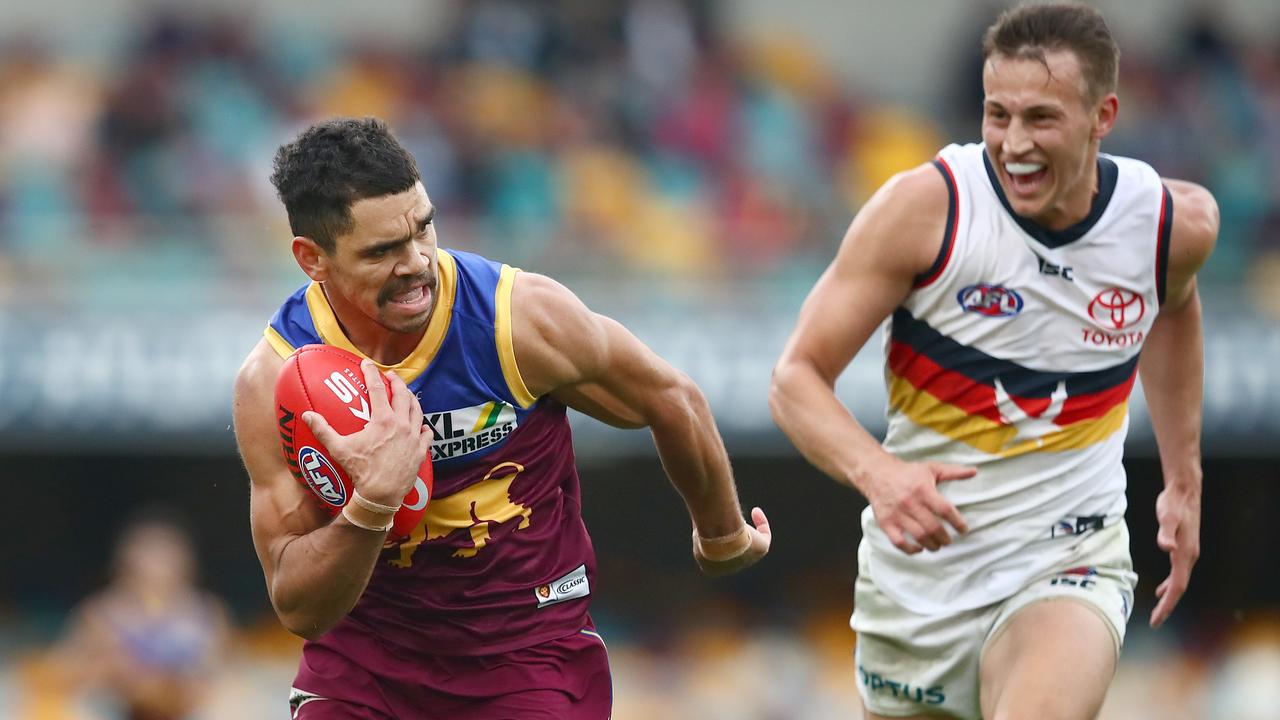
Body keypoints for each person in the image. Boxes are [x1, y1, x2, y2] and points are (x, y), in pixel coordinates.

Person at [232, 116, 771, 719]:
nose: (416, 263)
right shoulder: (274, 381)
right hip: (363, 672)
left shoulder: (515, 320)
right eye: (382, 251)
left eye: (423, 228)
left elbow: (672, 398)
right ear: (312, 259)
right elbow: (298, 607)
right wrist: (374, 502)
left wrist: (723, 536)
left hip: (527, 659)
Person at [769, 4, 1215, 720]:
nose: (1013, 144)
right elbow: (794, 378)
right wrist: (879, 473)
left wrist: (1182, 477)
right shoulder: (926, 210)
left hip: (1069, 558)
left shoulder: (1171, 225)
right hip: (919, 589)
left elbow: (1175, 307)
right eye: (996, 115)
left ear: (1103, 115)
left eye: (1041, 118)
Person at [58, 511, 230, 720]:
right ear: (125, 565)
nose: (157, 567)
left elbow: (228, 671)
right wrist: (110, 672)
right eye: (149, 556)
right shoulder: (101, 614)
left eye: (166, 556)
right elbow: (64, 672)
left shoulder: (207, 612)